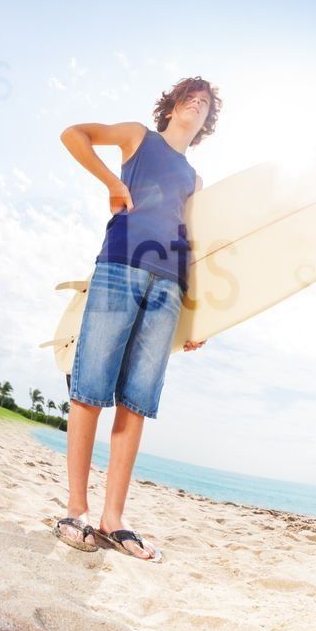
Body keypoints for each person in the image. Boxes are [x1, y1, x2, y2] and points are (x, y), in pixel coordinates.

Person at [53, 76, 222, 562]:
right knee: (90, 390)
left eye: (205, 103)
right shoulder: (137, 137)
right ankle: (76, 512)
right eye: (190, 97)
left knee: (137, 402)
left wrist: (197, 319)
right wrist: (112, 183)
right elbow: (73, 135)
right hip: (120, 266)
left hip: (168, 286)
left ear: (207, 121)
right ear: (171, 106)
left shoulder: (195, 181)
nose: (197, 104)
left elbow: (194, 246)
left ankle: (113, 519)